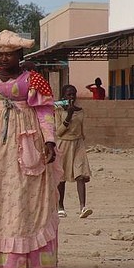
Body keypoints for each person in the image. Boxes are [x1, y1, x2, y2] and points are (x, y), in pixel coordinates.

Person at [0, 30, 62, 268]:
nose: (4, 59)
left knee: (24, 193)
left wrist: (50, 140)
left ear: (20, 55)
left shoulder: (33, 79)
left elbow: (45, 111)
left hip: (25, 140)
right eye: (1, 55)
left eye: (9, 55)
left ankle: (23, 257)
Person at [55, 85, 93, 219]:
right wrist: (68, 116)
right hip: (63, 143)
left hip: (78, 144)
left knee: (80, 174)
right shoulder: (58, 110)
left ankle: (83, 207)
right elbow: (58, 132)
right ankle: (60, 207)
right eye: (69, 95)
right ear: (64, 96)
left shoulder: (80, 111)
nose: (71, 97)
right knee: (61, 177)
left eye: (73, 94)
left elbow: (82, 130)